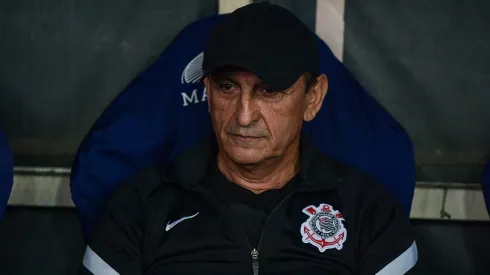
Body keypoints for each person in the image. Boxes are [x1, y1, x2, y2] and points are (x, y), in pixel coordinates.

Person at [80, 2, 417, 274]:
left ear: (313, 98)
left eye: (269, 91)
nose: (243, 116)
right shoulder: (138, 207)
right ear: (207, 93)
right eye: (228, 88)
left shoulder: (369, 212)